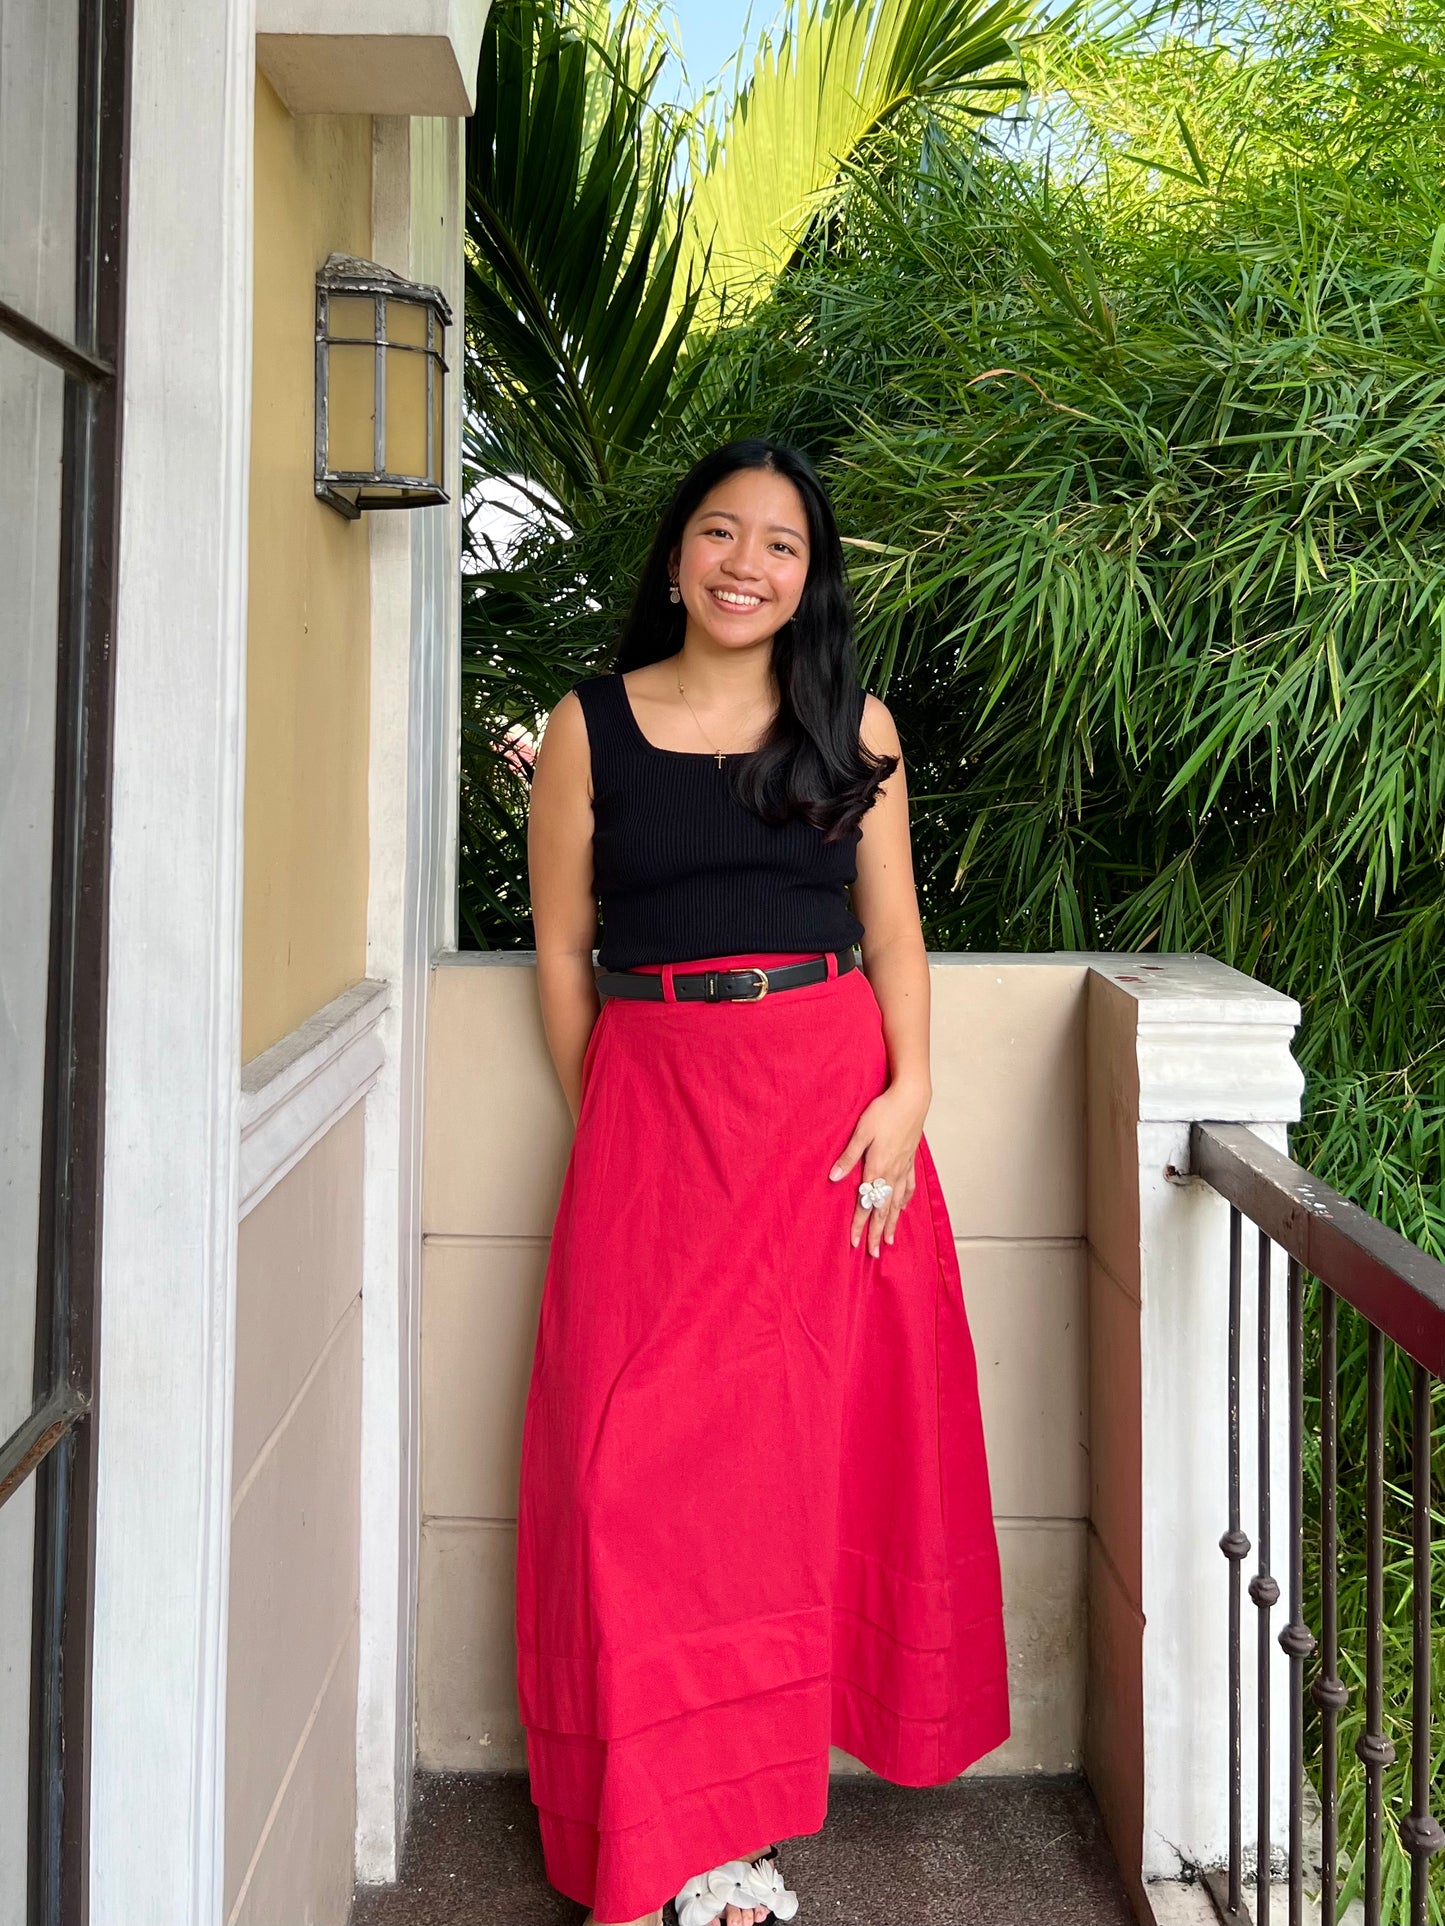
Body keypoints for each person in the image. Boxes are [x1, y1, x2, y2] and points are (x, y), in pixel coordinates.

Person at [515, 439, 1010, 1926]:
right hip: (654, 1112)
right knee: (628, 1482)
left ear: (809, 577)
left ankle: (729, 1841)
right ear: (674, 557)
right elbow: (556, 950)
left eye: (779, 543)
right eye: (719, 533)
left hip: (822, 1119)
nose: (745, 562)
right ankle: (655, 1821)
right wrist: (607, 1102)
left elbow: (897, 930)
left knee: (785, 1487)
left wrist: (909, 1094)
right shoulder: (588, 726)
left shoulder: (846, 721)